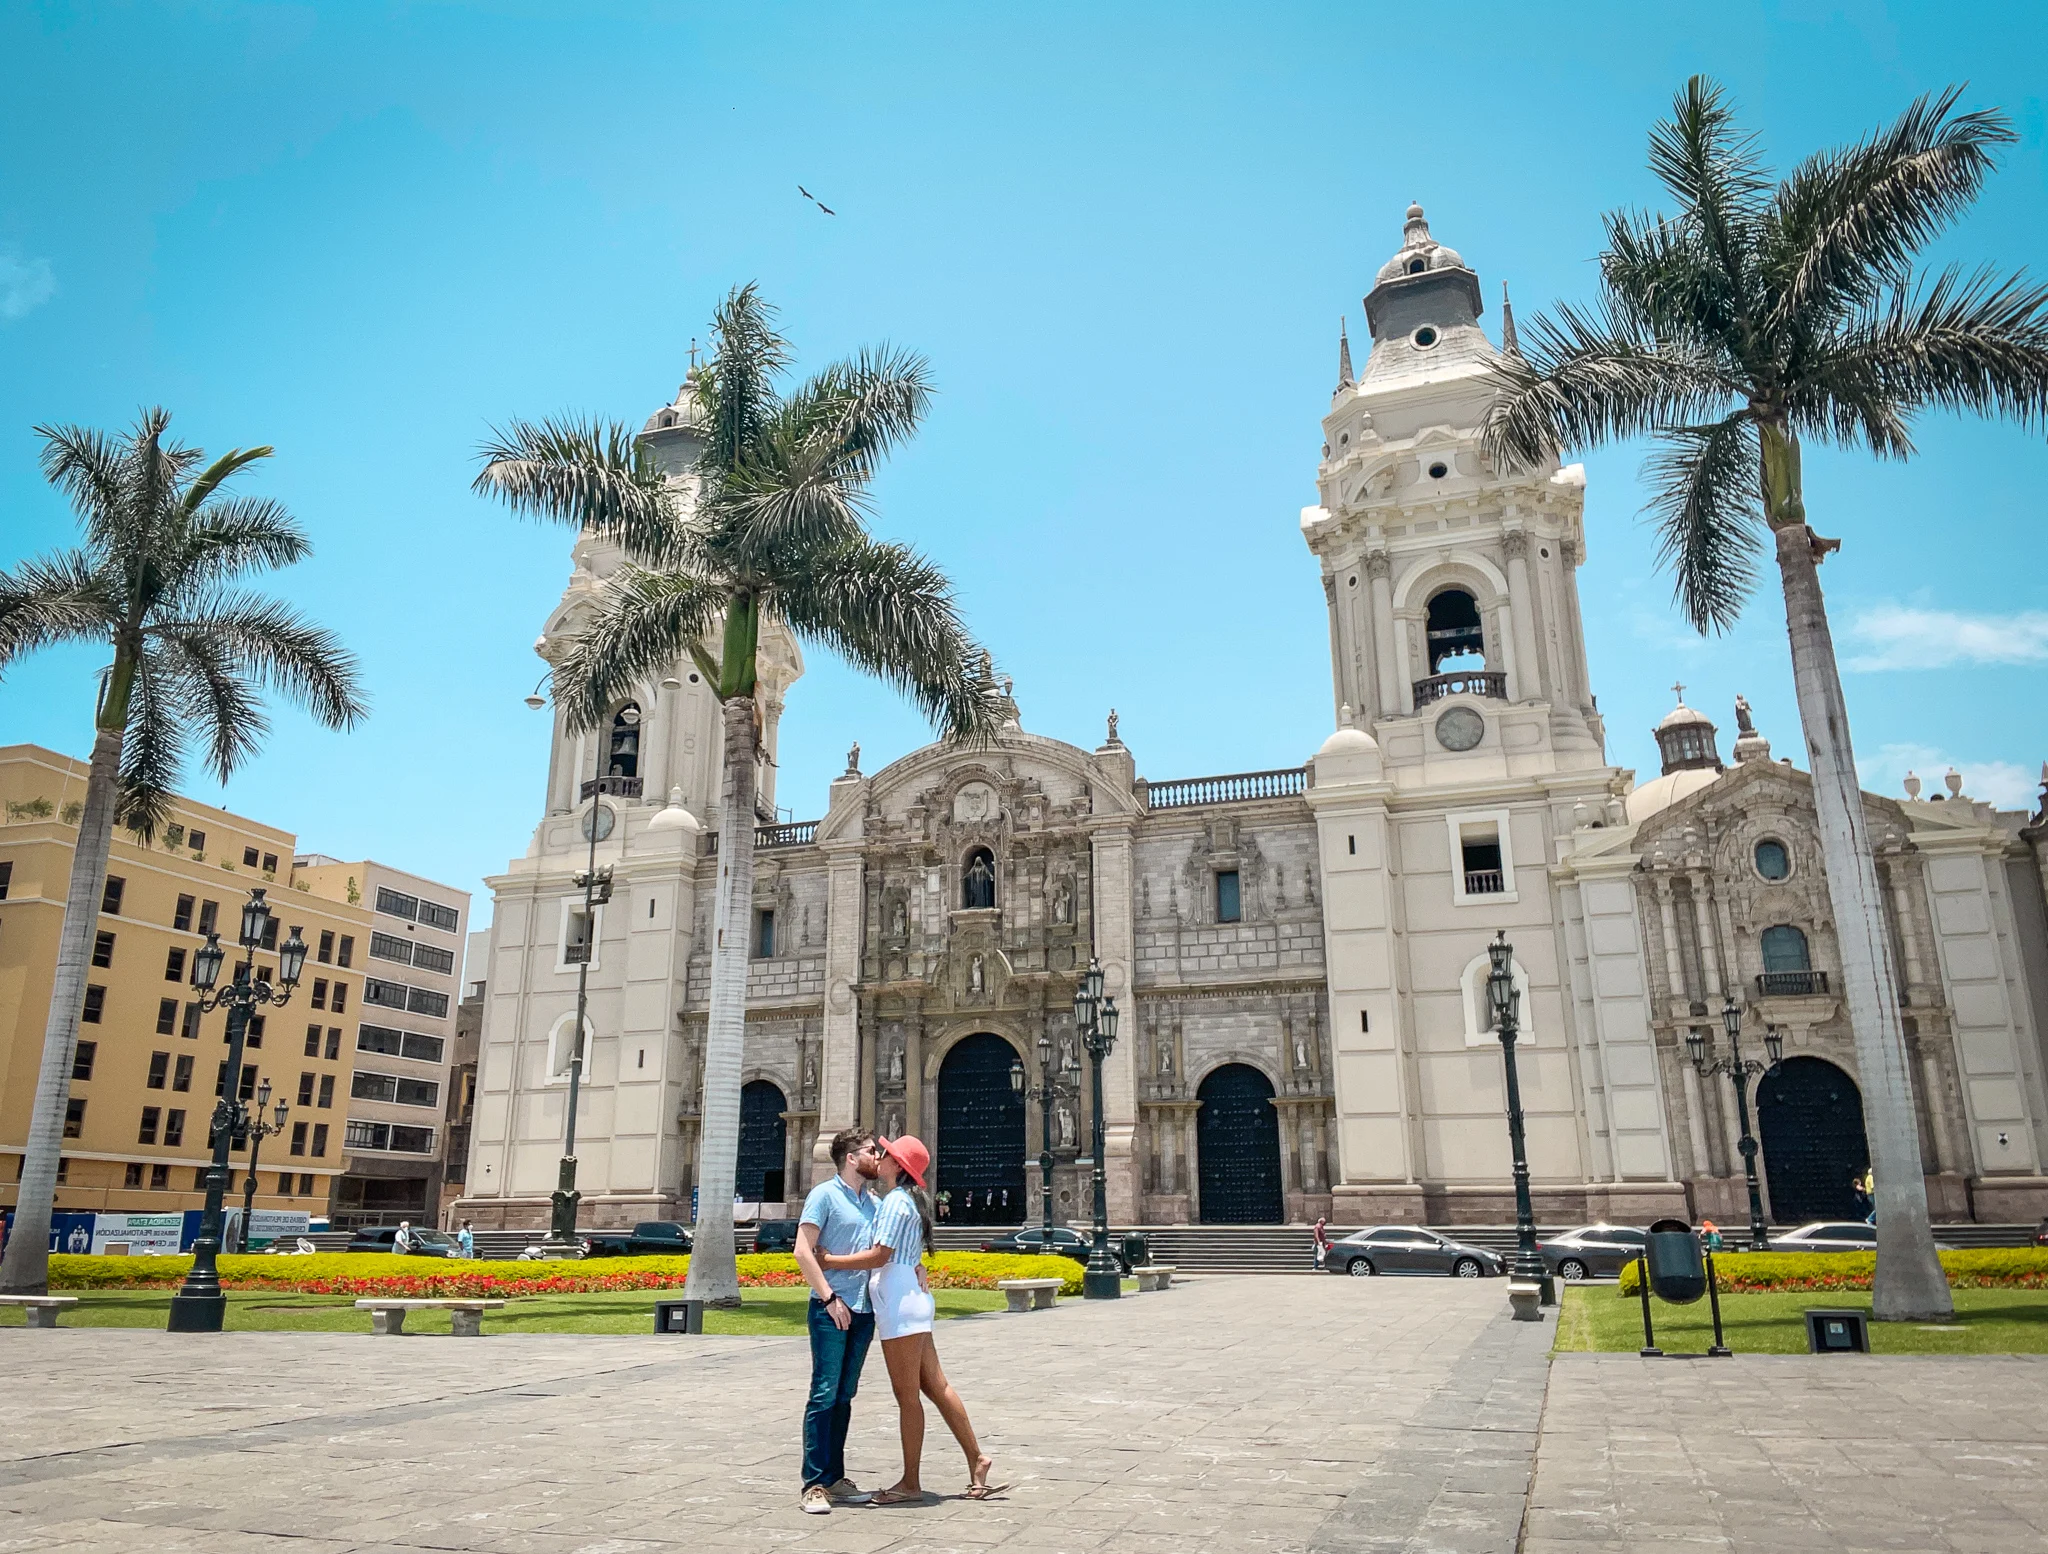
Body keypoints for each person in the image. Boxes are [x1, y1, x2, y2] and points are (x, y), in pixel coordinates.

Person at [817, 1135, 1001, 1506]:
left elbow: (880, 1255)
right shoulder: (909, 1202)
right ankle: (976, 1459)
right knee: (935, 1386)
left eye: (887, 1154)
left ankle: (911, 1482)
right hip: (912, 1298)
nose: (881, 1158)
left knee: (907, 1396)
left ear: (898, 1166)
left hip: (898, 1302)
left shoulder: (893, 1203)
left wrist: (830, 1260)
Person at [793, 1129, 884, 1516]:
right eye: (871, 1152)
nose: (877, 1157)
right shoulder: (824, 1195)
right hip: (831, 1310)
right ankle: (813, 1483)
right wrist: (830, 1298)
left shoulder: (874, 1202)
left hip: (863, 1310)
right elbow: (802, 1250)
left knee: (845, 1394)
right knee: (824, 1393)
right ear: (851, 1157)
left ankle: (835, 1478)